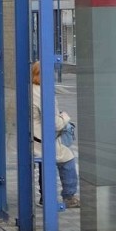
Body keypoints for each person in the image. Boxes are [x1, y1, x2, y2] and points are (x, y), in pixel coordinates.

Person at [31, 61, 80, 208]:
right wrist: (65, 116)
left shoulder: (32, 89)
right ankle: (69, 196)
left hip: (34, 137)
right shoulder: (42, 93)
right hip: (43, 140)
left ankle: (45, 196)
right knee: (67, 160)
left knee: (46, 164)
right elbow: (55, 124)